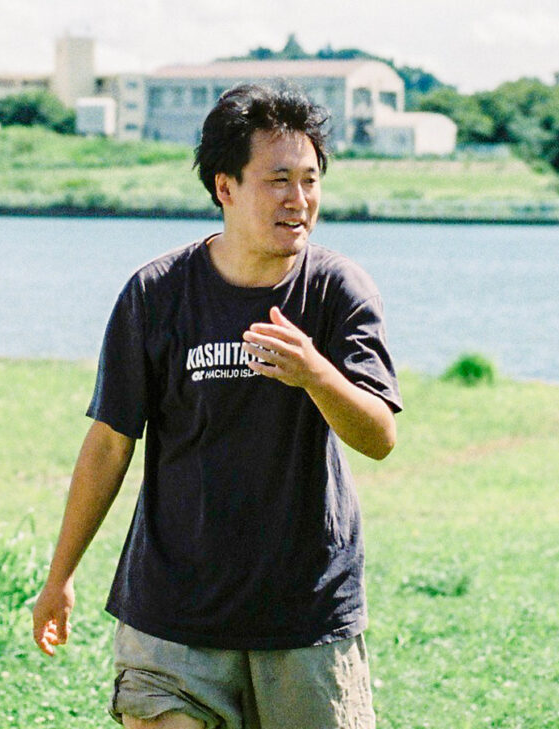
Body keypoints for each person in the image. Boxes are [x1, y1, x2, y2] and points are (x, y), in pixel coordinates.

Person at [32, 82, 401, 729]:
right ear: (225, 186)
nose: (299, 199)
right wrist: (60, 575)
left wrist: (315, 372)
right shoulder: (156, 293)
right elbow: (111, 441)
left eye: (310, 179)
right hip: (173, 613)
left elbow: (378, 434)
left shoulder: (337, 289)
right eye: (278, 179)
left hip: (305, 615)